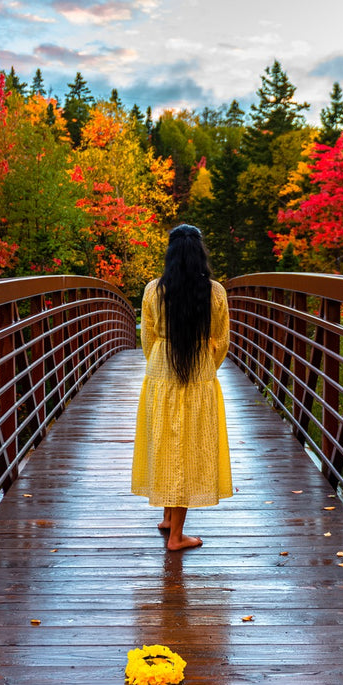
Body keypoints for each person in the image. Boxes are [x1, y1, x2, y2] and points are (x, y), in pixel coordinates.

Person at [131, 224, 233, 550]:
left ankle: (167, 518)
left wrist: (158, 363)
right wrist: (207, 366)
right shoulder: (215, 292)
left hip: (161, 375)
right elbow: (222, 339)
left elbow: (147, 339)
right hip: (199, 375)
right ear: (200, 252)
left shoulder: (153, 290)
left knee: (164, 443)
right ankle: (176, 536)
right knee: (187, 450)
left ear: (170, 254)